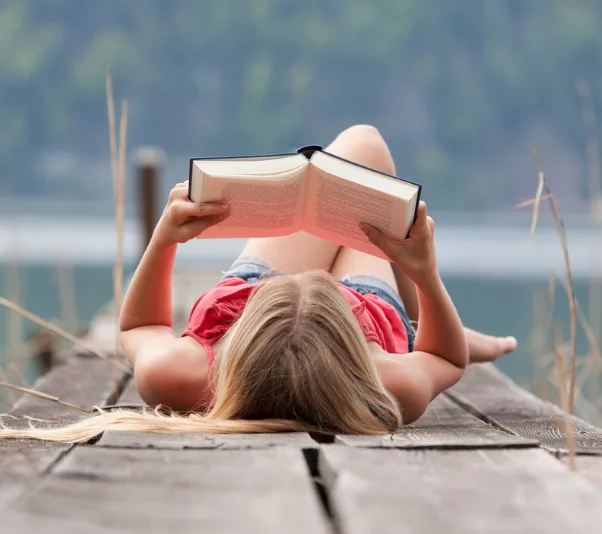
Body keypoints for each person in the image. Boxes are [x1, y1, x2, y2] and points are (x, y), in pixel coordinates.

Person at [0, 125, 516, 442]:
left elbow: (140, 323)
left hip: (303, 318)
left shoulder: (182, 375)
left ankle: (414, 319)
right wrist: (423, 272)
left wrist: (162, 240)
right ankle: (414, 320)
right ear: (358, 349)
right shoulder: (383, 379)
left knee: (359, 155)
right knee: (365, 147)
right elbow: (448, 359)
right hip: (369, 313)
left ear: (234, 336)